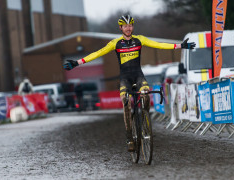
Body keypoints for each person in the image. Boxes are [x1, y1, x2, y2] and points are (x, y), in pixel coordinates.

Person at [63, 15, 195, 152]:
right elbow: (97, 54)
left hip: (138, 76)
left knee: (145, 95)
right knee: (125, 102)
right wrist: (77, 63)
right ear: (120, 28)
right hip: (125, 78)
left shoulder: (140, 39)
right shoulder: (115, 43)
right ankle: (129, 137)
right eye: (125, 26)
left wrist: (181, 45)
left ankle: (144, 119)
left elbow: (159, 45)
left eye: (130, 25)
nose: (128, 28)